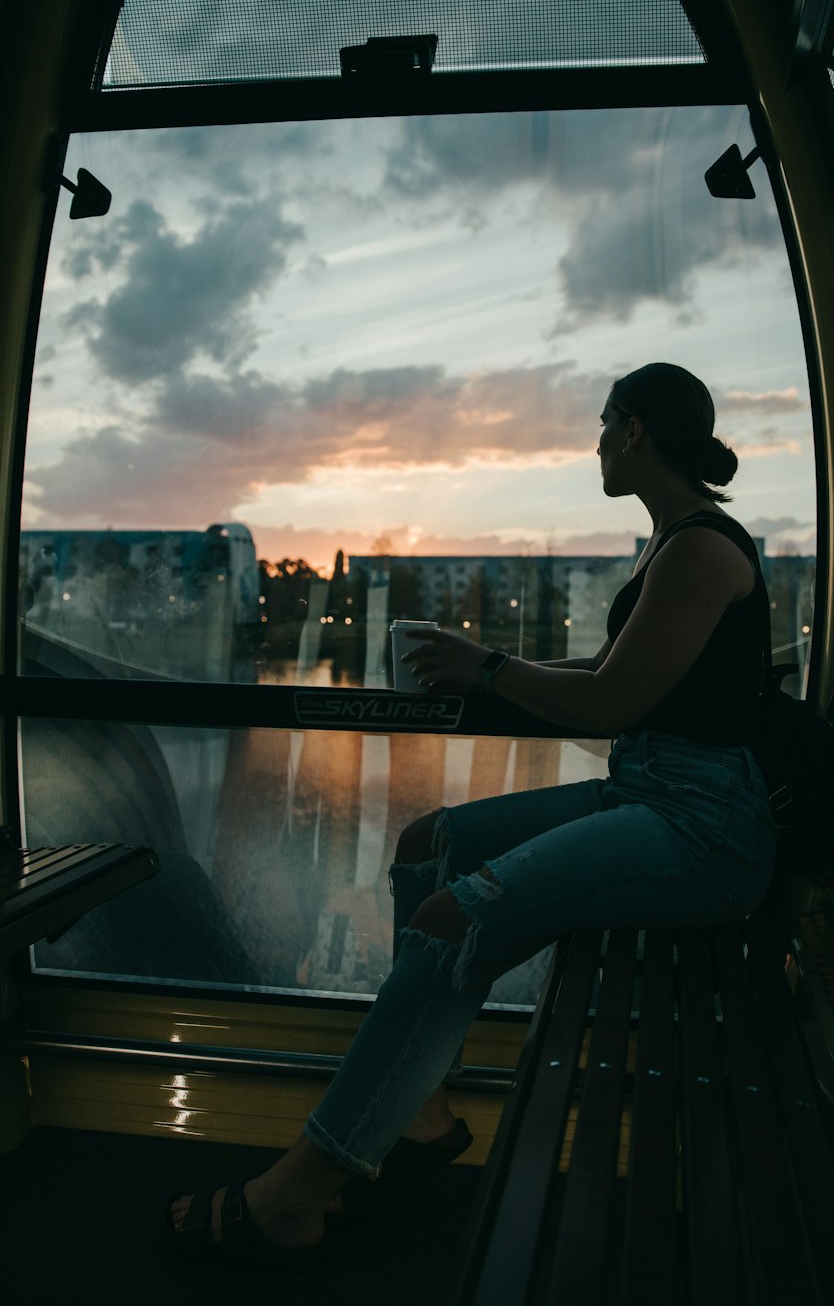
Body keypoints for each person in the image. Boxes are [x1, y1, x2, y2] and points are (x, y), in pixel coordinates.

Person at [165, 361, 776, 1272]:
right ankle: (423, 1106)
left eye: (605, 423)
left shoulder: (702, 549)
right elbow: (605, 673)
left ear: (637, 430)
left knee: (452, 916)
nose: (597, 440)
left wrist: (487, 674)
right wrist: (479, 657)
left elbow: (609, 704)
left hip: (702, 825)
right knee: (429, 845)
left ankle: (299, 1190)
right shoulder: (666, 542)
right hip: (651, 792)